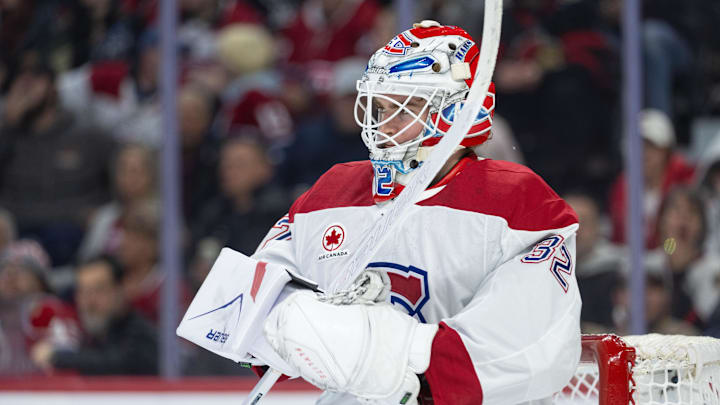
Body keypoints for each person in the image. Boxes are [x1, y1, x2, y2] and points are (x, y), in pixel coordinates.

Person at [250, 21, 581, 404]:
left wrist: (380, 349)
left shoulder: (516, 202)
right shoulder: (332, 192)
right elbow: (242, 314)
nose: (383, 125)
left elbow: (527, 347)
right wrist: (291, 325)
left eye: (404, 109)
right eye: (380, 106)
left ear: (458, 114)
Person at [30, 255, 158, 375]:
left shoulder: (141, 336)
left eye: (98, 290)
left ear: (121, 291)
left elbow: (118, 363)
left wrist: (57, 357)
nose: (89, 302)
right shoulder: (92, 335)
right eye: (83, 291)